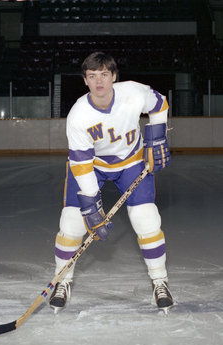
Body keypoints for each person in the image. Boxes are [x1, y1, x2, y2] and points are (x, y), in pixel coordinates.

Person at [50, 52, 173, 313]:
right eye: (92, 76)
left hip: (131, 163)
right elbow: (82, 165)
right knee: (72, 220)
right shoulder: (78, 116)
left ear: (114, 76)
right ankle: (62, 281)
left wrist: (157, 137)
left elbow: (160, 105)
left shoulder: (133, 93)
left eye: (104, 75)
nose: (99, 82)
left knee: (146, 217)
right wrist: (93, 207)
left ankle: (159, 281)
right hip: (92, 167)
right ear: (85, 80)